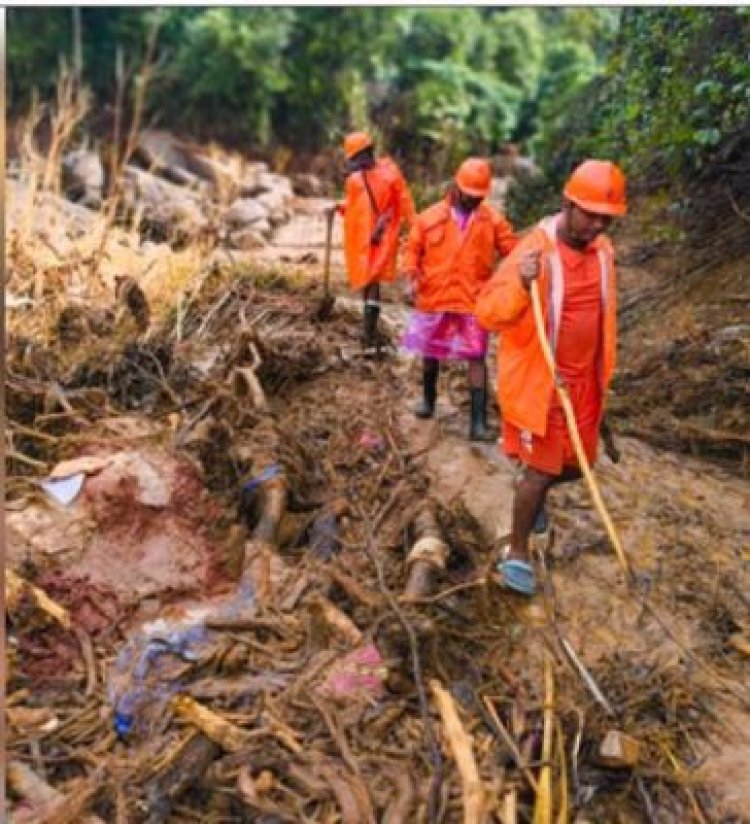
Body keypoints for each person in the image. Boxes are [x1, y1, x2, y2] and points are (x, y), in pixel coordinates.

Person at [475, 159, 627, 595]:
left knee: (580, 466)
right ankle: (517, 553)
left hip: (584, 385)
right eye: (589, 214)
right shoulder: (533, 251)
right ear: (567, 203)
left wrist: (602, 378)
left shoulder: (604, 252)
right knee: (540, 473)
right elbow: (487, 313)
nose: (596, 225)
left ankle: (534, 498)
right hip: (545, 387)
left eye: (605, 218)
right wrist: (521, 286)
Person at [401, 157, 518, 441]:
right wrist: (410, 278)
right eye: (470, 195)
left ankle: (477, 424)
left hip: (473, 301)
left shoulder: (492, 221)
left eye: (480, 197)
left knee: (476, 357)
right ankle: (428, 401)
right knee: (430, 354)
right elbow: (412, 251)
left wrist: (532, 258)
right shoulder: (428, 218)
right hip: (434, 297)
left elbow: (512, 250)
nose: (475, 201)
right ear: (456, 186)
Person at [332, 131, 415, 351]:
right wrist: (338, 208)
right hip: (359, 236)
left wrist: (413, 229)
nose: (352, 163)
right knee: (364, 278)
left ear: (366, 154)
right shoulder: (355, 178)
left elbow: (404, 202)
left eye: (355, 158)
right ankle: (367, 329)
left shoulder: (390, 173)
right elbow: (354, 204)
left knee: (373, 278)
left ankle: (368, 333)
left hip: (383, 235)